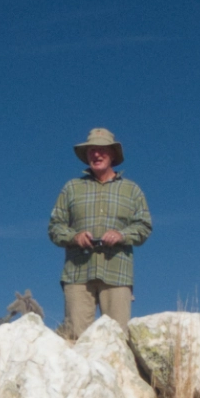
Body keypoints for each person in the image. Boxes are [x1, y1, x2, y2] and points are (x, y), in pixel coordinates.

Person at [48, 127, 152, 339]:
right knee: (76, 337)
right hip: (77, 274)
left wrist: (122, 235)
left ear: (112, 154)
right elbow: (55, 226)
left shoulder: (132, 190)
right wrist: (74, 237)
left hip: (117, 273)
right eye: (91, 150)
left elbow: (144, 226)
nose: (96, 154)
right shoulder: (71, 188)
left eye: (102, 150)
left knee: (116, 338)